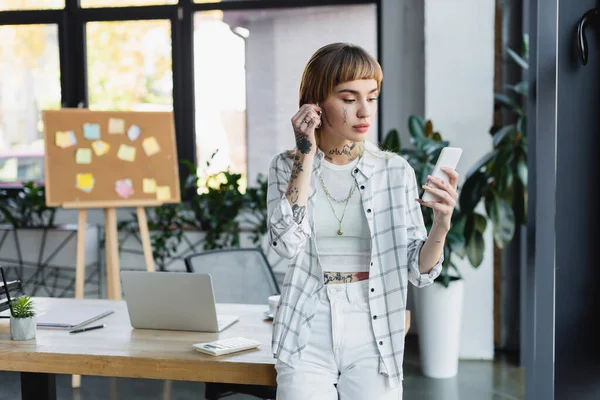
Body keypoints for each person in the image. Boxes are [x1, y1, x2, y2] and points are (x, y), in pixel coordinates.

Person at [267, 42, 459, 400]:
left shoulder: (395, 171)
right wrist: (305, 152)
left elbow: (419, 272)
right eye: (348, 97)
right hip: (308, 319)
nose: (363, 111)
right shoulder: (286, 166)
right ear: (316, 103)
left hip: (374, 323)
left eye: (371, 97)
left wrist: (441, 225)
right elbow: (285, 245)